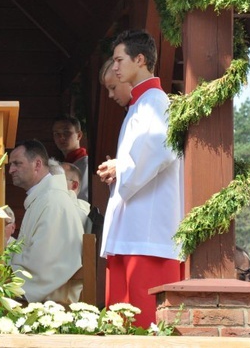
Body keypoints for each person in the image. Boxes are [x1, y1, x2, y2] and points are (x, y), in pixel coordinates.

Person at [96, 29, 184, 328]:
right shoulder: (139, 104)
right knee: (125, 320)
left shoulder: (157, 102)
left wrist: (122, 168)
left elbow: (160, 150)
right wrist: (121, 167)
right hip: (134, 229)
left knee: (144, 321)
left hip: (148, 236)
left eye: (120, 60)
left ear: (141, 59)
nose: (116, 67)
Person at [8, 140, 87, 304]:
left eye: (17, 163)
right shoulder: (44, 198)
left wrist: (5, 264)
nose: (11, 170)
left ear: (37, 164)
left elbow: (43, 267)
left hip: (54, 298)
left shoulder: (53, 201)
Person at [51, 115, 89, 201]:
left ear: (79, 135)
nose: (61, 137)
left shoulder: (86, 164)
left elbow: (83, 198)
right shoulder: (62, 165)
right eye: (57, 134)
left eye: (66, 133)